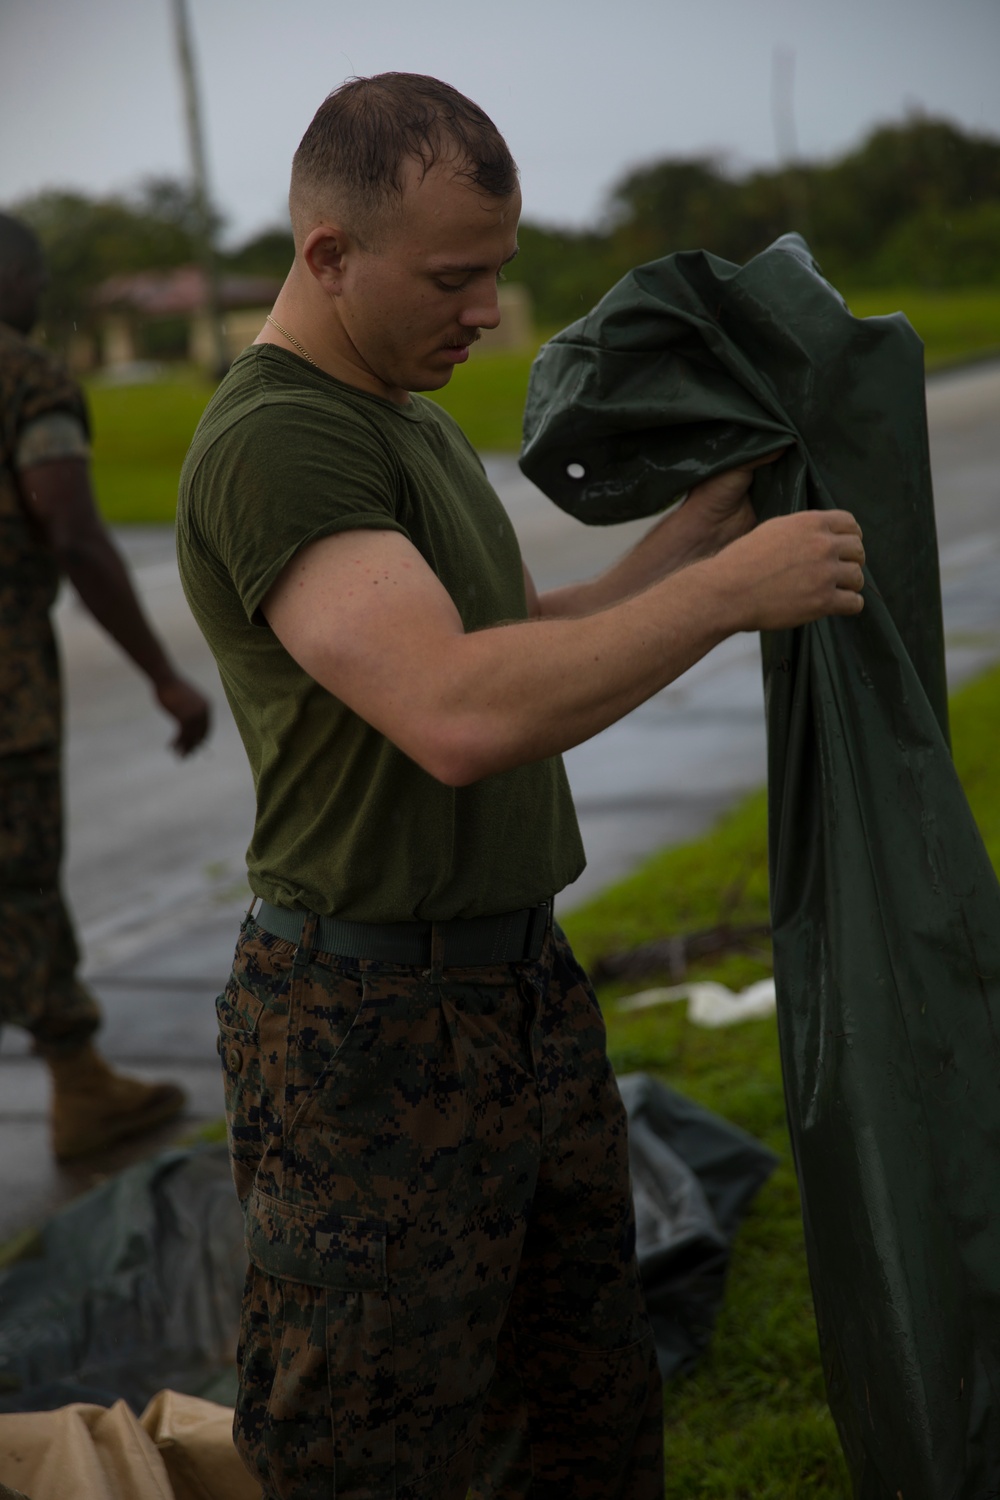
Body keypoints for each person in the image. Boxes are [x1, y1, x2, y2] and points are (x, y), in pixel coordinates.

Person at [176, 74, 865, 1499]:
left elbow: (504, 645)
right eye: (454, 276)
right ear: (327, 256)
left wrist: (681, 550)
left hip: (514, 997)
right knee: (370, 1450)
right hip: (365, 1036)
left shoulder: (404, 419)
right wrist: (730, 599)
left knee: (582, 1409)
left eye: (495, 268)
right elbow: (449, 711)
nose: (488, 309)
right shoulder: (276, 439)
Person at [0, 212, 211, 1161]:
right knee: (22, 879)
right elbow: (76, 534)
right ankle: (80, 1086)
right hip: (6, 693)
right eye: (34, 278)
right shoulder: (27, 377)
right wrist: (164, 676)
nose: (40, 298)